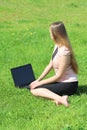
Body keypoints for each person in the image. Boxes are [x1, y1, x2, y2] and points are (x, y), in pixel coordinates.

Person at [30, 21, 78, 107]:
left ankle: (61, 99)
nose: (50, 35)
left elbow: (58, 75)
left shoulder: (65, 51)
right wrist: (38, 80)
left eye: (50, 33)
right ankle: (58, 98)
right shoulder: (57, 46)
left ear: (55, 34)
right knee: (36, 87)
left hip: (69, 85)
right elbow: (50, 65)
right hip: (60, 82)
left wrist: (39, 84)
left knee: (35, 90)